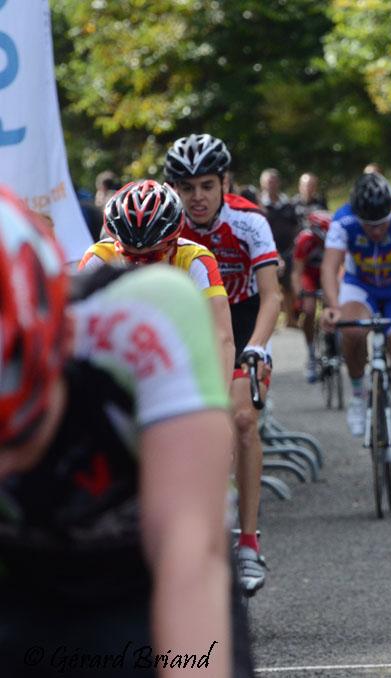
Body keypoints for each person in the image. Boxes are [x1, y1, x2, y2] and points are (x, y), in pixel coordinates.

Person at [0, 186, 252, 678]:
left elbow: (189, 557)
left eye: (18, 430)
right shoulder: (96, 259)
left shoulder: (146, 317)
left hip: (137, 577)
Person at [165, 133, 282, 595]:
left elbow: (272, 295)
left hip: (243, 319)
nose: (197, 197)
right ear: (174, 188)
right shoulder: (166, 222)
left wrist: (258, 347)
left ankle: (248, 541)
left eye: (207, 186)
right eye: (187, 187)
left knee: (241, 419)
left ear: (225, 183)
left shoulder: (249, 222)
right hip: (193, 320)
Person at [320, 173, 391, 485]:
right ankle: (358, 393)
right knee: (351, 330)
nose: (377, 231)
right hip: (362, 287)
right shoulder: (343, 220)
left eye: (382, 224)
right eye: (369, 226)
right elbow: (330, 266)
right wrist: (332, 306)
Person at [78, 180, 235, 383]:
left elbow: (222, 338)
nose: (140, 266)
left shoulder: (196, 260)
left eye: (152, 256)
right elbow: (76, 334)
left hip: (180, 351)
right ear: (116, 244)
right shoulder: (98, 258)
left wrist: (219, 399)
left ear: (173, 244)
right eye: (130, 256)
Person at [292, 210, 333, 382]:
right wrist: (299, 295)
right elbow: (297, 272)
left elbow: (342, 268)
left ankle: (334, 343)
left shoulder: (335, 240)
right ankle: (311, 353)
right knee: (309, 310)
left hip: (326, 275)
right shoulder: (305, 240)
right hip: (308, 275)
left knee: (334, 305)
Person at [259, 168, 301, 327]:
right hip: (266, 251)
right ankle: (269, 322)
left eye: (274, 181)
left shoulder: (288, 204)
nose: (271, 185)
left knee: (289, 287)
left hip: (288, 250)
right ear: (262, 184)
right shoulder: (259, 206)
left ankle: (290, 319)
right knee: (269, 287)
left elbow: (296, 225)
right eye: (268, 182)